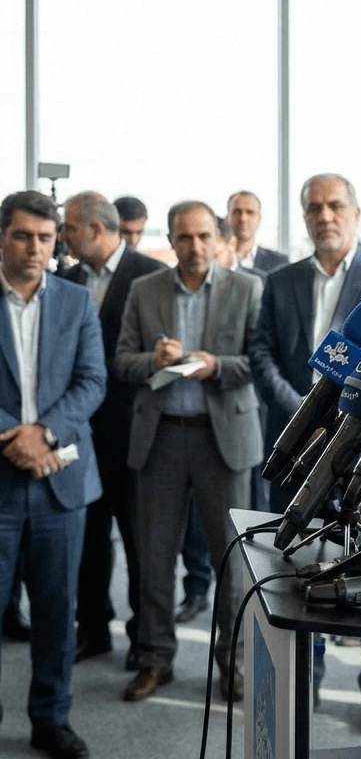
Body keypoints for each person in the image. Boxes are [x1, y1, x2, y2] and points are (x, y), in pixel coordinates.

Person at [249, 173, 361, 735]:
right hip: (300, 443)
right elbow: (261, 351)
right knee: (297, 564)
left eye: (335, 205)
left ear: (356, 212)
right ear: (304, 216)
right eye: (314, 207)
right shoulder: (281, 280)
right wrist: (303, 410)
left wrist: (342, 418)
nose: (325, 215)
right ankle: (307, 675)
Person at [114, 201, 263, 705]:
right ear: (171, 240)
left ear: (218, 238)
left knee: (232, 561)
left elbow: (258, 362)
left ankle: (232, 660)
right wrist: (151, 361)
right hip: (160, 438)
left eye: (203, 236)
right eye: (184, 237)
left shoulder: (247, 288)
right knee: (154, 558)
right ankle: (156, 658)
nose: (195, 247)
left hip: (222, 439)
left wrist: (216, 365)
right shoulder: (145, 290)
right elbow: (121, 361)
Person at [0, 191, 106, 759]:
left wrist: (43, 434)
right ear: (2, 238)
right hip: (1, 477)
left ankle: (51, 719)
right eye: (23, 236)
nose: (35, 248)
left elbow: (92, 382)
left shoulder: (76, 300)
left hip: (60, 482)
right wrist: (14, 436)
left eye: (45, 238)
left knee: (57, 611)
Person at [58, 191, 164, 671]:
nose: (63, 236)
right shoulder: (67, 279)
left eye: (68, 228)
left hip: (134, 432)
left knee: (141, 542)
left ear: (96, 229)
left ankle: (144, 637)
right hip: (80, 434)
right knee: (89, 537)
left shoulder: (150, 275)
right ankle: (93, 629)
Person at [227, 191, 287, 275]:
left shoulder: (278, 262)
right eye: (237, 212)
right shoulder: (214, 259)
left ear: (259, 219)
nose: (243, 218)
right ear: (228, 217)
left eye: (250, 212)